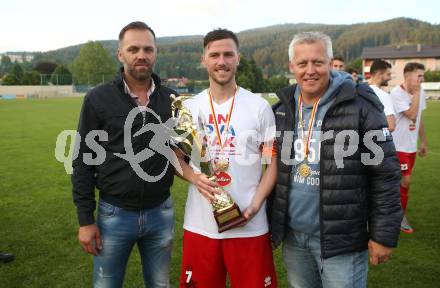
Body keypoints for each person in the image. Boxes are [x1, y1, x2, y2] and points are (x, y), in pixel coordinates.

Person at [269, 31, 402, 287]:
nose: (310, 70)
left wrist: (383, 234)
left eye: (318, 62)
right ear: (291, 67)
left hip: (342, 240)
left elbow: (385, 173)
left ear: (330, 63)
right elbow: (272, 168)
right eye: (302, 63)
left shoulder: (360, 105)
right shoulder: (282, 109)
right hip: (295, 238)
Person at [72, 21, 177, 287]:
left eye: (147, 49)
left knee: (160, 284)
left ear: (155, 53)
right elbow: (83, 159)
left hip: (160, 212)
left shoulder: (173, 100)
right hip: (114, 214)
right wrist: (85, 220)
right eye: (133, 49)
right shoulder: (98, 98)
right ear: (121, 54)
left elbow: (181, 154)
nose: (141, 55)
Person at [175, 29, 278, 287]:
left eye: (228, 54)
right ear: (204, 60)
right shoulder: (189, 108)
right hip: (201, 225)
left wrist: (255, 204)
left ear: (238, 58)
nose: (222, 61)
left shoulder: (259, 107)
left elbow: (271, 161)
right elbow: (176, 157)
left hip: (249, 223)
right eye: (215, 55)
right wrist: (195, 178)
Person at [390, 62, 428, 234]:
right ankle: (399, 217)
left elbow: (418, 119)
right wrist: (417, 93)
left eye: (422, 76)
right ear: (407, 76)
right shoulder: (396, 93)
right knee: (405, 181)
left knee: (400, 183)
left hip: (411, 147)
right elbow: (411, 114)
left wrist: (423, 142)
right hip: (398, 146)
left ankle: (392, 213)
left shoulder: (421, 92)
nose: (422, 79)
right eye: (419, 75)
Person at [368, 59, 396, 131]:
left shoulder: (358, 90)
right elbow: (391, 126)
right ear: (379, 74)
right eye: (388, 74)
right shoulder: (383, 95)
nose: (390, 78)